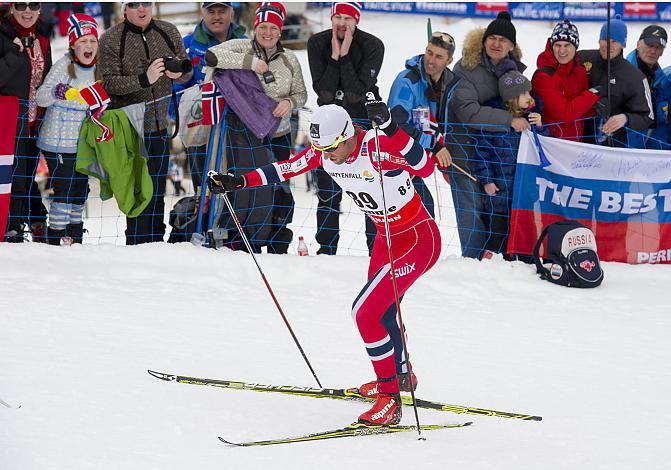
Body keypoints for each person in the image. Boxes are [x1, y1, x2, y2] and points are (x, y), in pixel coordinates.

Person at [206, 101, 441, 426]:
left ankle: (390, 400)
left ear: (348, 136)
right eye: (321, 149)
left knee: (366, 313)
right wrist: (240, 182)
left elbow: (426, 167)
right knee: (382, 311)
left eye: (332, 148)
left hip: (416, 239)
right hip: (385, 240)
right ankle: (401, 377)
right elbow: (285, 168)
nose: (327, 156)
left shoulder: (376, 148)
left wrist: (390, 127)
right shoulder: (323, 152)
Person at [205, 2, 307, 254]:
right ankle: (244, 239)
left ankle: (276, 239)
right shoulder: (242, 45)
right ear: (255, 27)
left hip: (280, 134)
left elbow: (302, 94)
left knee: (278, 186)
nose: (268, 32)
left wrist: (289, 102)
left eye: (273, 27)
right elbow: (212, 56)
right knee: (246, 185)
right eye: (263, 27)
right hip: (245, 133)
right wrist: (249, 62)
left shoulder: (290, 59)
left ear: (280, 32)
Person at [98, 1, 192, 244]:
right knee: (136, 192)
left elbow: (188, 70)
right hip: (129, 129)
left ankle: (155, 244)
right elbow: (108, 84)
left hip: (160, 127)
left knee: (157, 190)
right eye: (134, 4)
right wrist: (144, 79)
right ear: (123, 9)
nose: (142, 9)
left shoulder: (168, 30)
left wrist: (178, 73)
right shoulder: (111, 38)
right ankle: (136, 245)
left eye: (146, 4)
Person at [307, 2, 384, 255]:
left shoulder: (373, 46)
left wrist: (347, 54)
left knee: (371, 192)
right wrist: (334, 57)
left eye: (347, 18)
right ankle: (326, 250)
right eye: (337, 16)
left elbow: (354, 94)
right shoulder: (317, 43)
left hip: (360, 128)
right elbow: (325, 92)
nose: (341, 22)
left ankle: (376, 251)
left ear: (356, 21)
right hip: (328, 126)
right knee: (327, 193)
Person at [449, 11, 527, 259]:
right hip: (465, 151)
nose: (496, 43)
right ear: (483, 40)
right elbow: (467, 111)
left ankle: (498, 264)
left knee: (497, 213)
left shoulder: (514, 71)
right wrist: (510, 121)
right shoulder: (466, 67)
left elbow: (524, 104)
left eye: (503, 40)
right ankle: (472, 264)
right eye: (492, 37)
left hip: (499, 159)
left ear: (511, 45)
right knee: (472, 211)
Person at [35, 13, 99, 245]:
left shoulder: (99, 67)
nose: (88, 46)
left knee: (80, 191)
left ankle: (75, 235)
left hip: (84, 142)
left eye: (92, 40)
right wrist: (56, 91)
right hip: (58, 141)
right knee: (65, 190)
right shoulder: (64, 65)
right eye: (83, 41)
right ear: (73, 45)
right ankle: (56, 238)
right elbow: (41, 97)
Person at [471, 61, 546, 257]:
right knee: (498, 232)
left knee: (522, 231)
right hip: (500, 191)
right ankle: (493, 262)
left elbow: (545, 147)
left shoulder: (532, 118)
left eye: (529, 93)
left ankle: (521, 261)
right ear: (512, 98)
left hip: (523, 193)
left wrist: (541, 126)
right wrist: (486, 180)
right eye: (525, 94)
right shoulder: (496, 122)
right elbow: (482, 152)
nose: (530, 98)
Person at [176, 1, 246, 191]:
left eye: (222, 11)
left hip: (237, 129)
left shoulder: (245, 42)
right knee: (204, 188)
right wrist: (180, 121)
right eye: (211, 11)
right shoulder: (189, 45)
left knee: (236, 184)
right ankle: (203, 211)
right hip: (200, 129)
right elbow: (176, 88)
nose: (217, 16)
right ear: (203, 13)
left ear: (231, 12)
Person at [387, 31, 458, 217]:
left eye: (439, 56)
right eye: (429, 52)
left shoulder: (448, 85)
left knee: (425, 211)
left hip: (414, 161)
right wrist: (433, 145)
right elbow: (396, 125)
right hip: (393, 163)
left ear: (449, 61)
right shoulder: (407, 80)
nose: (431, 60)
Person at [0, 1, 51, 242]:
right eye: (21, 5)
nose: (27, 11)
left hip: (34, 122)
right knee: (14, 179)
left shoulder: (43, 37)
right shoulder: (3, 36)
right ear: (11, 8)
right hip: (9, 122)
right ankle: (12, 229)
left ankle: (26, 222)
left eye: (34, 5)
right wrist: (13, 52)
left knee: (27, 177)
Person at [579, 15, 653, 147]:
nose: (608, 46)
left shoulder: (635, 76)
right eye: (605, 40)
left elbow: (648, 116)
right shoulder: (582, 58)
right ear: (599, 40)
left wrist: (625, 118)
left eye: (614, 41)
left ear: (622, 44)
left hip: (612, 147)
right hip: (574, 141)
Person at [531, 19, 602, 142]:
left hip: (575, 144)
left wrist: (597, 109)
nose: (562, 50)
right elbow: (565, 114)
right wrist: (593, 94)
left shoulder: (580, 70)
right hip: (550, 144)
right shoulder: (543, 76)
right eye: (558, 45)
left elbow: (580, 110)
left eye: (567, 45)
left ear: (575, 47)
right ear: (551, 46)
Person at [626, 25, 671, 149]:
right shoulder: (620, 75)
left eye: (658, 47)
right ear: (638, 44)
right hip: (625, 155)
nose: (653, 51)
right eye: (649, 45)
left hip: (657, 157)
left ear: (662, 51)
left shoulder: (664, 82)